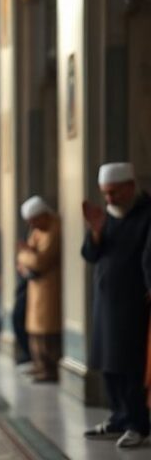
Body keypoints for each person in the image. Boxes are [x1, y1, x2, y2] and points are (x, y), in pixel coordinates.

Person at [82, 162, 150, 448]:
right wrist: (96, 231)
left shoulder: (147, 214)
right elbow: (90, 254)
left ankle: (138, 423)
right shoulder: (106, 216)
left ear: (130, 187)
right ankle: (118, 418)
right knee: (108, 364)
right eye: (105, 194)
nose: (109, 199)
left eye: (114, 193)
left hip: (135, 302)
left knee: (130, 365)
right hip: (106, 302)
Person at [15, 196, 61, 382]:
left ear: (43, 215)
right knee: (35, 330)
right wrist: (27, 255)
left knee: (48, 331)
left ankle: (50, 369)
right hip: (36, 288)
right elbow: (25, 255)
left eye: (34, 220)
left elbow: (40, 261)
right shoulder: (38, 230)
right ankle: (40, 365)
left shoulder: (54, 229)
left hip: (50, 289)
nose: (32, 225)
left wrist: (26, 255)